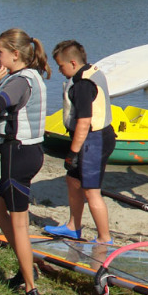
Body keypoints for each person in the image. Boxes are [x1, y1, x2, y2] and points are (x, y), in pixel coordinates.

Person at [0, 28, 51, 295]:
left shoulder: (18, 82)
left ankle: (30, 286)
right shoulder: (31, 77)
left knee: (19, 225)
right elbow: (12, 121)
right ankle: (25, 264)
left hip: (18, 158)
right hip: (27, 152)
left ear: (14, 54)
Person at [43, 40, 116, 244]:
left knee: (91, 191)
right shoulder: (91, 71)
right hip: (92, 139)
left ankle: (104, 238)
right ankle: (73, 227)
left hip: (95, 140)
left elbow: (84, 122)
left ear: (73, 63)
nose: (59, 70)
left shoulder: (83, 84)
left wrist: (72, 153)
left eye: (61, 66)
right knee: (72, 180)